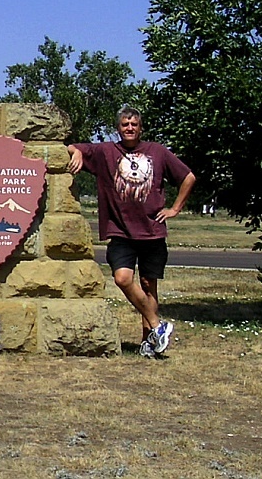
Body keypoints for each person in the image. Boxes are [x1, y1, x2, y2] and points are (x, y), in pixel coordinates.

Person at [67, 106, 196, 358]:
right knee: (123, 279)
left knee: (149, 285)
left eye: (134, 124)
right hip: (121, 232)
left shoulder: (157, 152)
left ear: (140, 127)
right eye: (125, 124)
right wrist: (77, 153)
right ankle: (159, 327)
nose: (129, 128)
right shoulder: (106, 152)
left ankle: (148, 343)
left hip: (152, 231)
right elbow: (73, 147)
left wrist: (175, 209)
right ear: (118, 128)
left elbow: (188, 177)